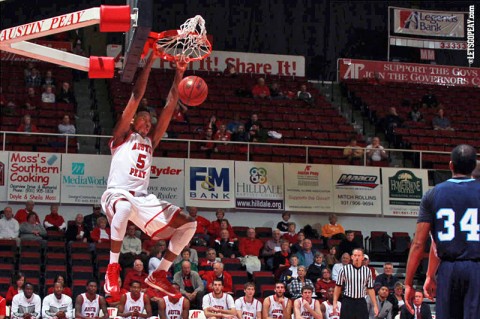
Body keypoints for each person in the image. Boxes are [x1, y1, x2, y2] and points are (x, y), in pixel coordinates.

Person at [101, 52, 194, 298]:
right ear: (132, 121)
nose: (148, 123)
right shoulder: (121, 136)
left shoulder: (151, 141)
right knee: (121, 209)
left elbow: (170, 104)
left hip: (142, 198)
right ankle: (112, 267)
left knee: (188, 223)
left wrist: (179, 73)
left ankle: (160, 273)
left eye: (149, 121)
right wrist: (150, 61)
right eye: (143, 119)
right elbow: (136, 96)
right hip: (117, 193)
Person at [404, 144, 480, 319]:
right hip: (476, 268)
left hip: (448, 268)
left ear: (451, 165)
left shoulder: (432, 194)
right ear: (473, 166)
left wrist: (410, 282)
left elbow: (419, 244)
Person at [333, 248, 378, 318]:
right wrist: (335, 302)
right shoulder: (344, 269)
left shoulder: (367, 271)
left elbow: (370, 289)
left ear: (362, 257)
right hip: (348, 300)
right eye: (355, 255)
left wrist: (375, 305)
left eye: (359, 255)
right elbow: (338, 286)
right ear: (352, 257)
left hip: (361, 301)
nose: (357, 257)